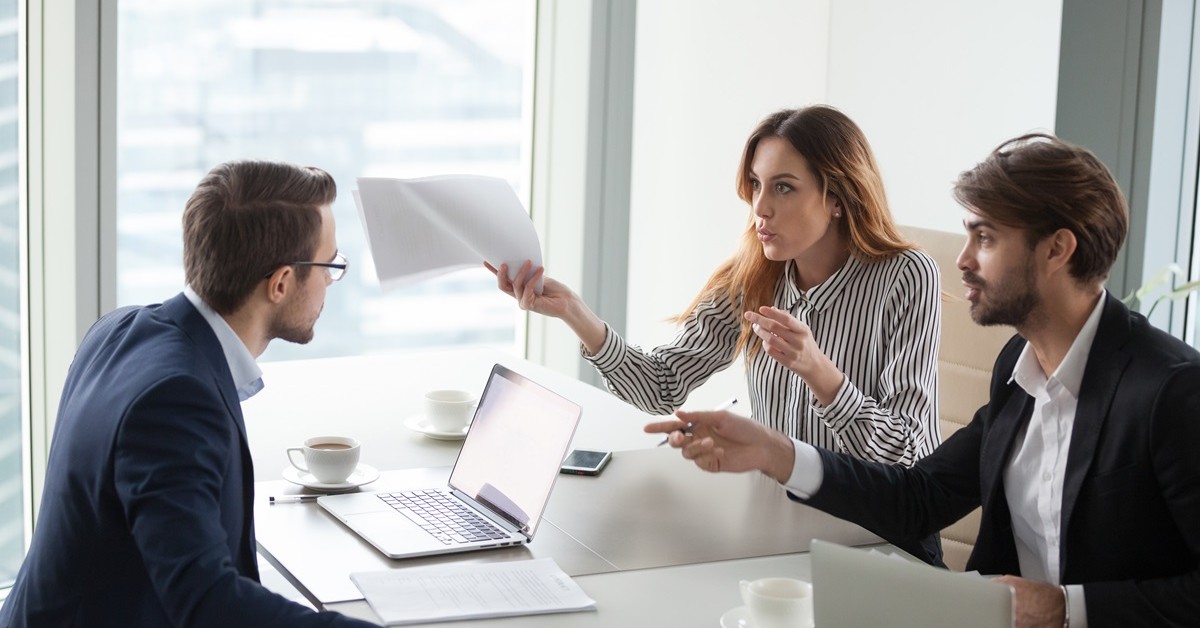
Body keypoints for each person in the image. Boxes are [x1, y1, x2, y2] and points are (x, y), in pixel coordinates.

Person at [649, 133, 1200, 627]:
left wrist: (1064, 609)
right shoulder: (1019, 367)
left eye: (984, 238)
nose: (961, 260)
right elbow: (921, 497)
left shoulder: (1171, 392)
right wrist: (776, 452)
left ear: (1056, 249)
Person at [0, 161, 376, 626]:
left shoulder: (120, 329)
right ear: (280, 283)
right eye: (330, 266)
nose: (330, 281)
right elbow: (206, 603)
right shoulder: (175, 399)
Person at [492, 105, 942, 469]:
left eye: (783, 188)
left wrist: (817, 371)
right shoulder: (752, 275)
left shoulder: (907, 276)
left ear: (838, 198)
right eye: (756, 185)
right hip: (779, 522)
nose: (760, 207)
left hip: (875, 537)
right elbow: (662, 386)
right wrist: (574, 311)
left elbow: (908, 453)